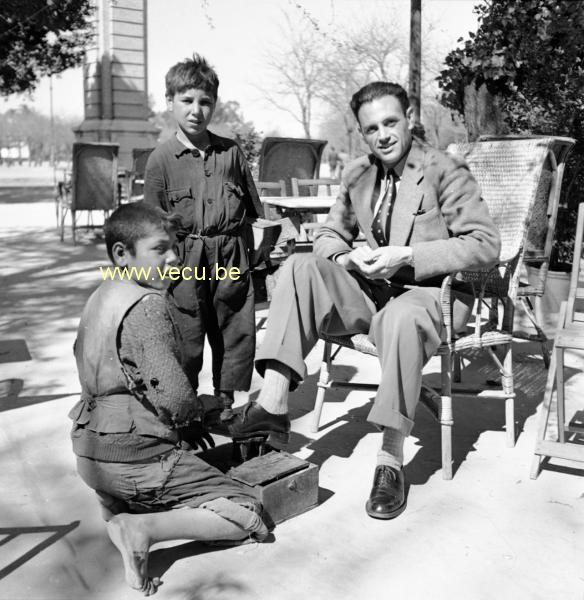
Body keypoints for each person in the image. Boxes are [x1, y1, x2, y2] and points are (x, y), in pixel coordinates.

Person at [229, 81, 501, 520]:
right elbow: (328, 234)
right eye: (372, 128)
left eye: (391, 122)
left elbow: (487, 244)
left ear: (409, 118)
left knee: (400, 317)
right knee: (298, 267)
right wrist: (347, 255)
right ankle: (272, 408)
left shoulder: (445, 170)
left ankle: (390, 459)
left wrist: (409, 255)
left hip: (431, 295)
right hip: (373, 290)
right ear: (362, 132)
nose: (384, 135)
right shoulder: (358, 173)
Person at [69, 203, 268, 596]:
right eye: (160, 249)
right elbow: (175, 398)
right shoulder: (147, 305)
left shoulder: (102, 294)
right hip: (133, 458)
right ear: (121, 254)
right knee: (250, 514)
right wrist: (197, 414)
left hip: (90, 456)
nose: (174, 257)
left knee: (158, 475)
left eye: (175, 247)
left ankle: (117, 512)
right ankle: (142, 528)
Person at [144, 54, 264, 420]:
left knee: (234, 331)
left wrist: (254, 259)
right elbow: (152, 227)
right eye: (187, 100)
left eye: (205, 102)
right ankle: (186, 407)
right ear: (170, 103)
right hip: (184, 259)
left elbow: (255, 214)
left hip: (229, 255)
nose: (197, 110)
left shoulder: (231, 154)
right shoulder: (160, 160)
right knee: (186, 334)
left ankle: (226, 404)